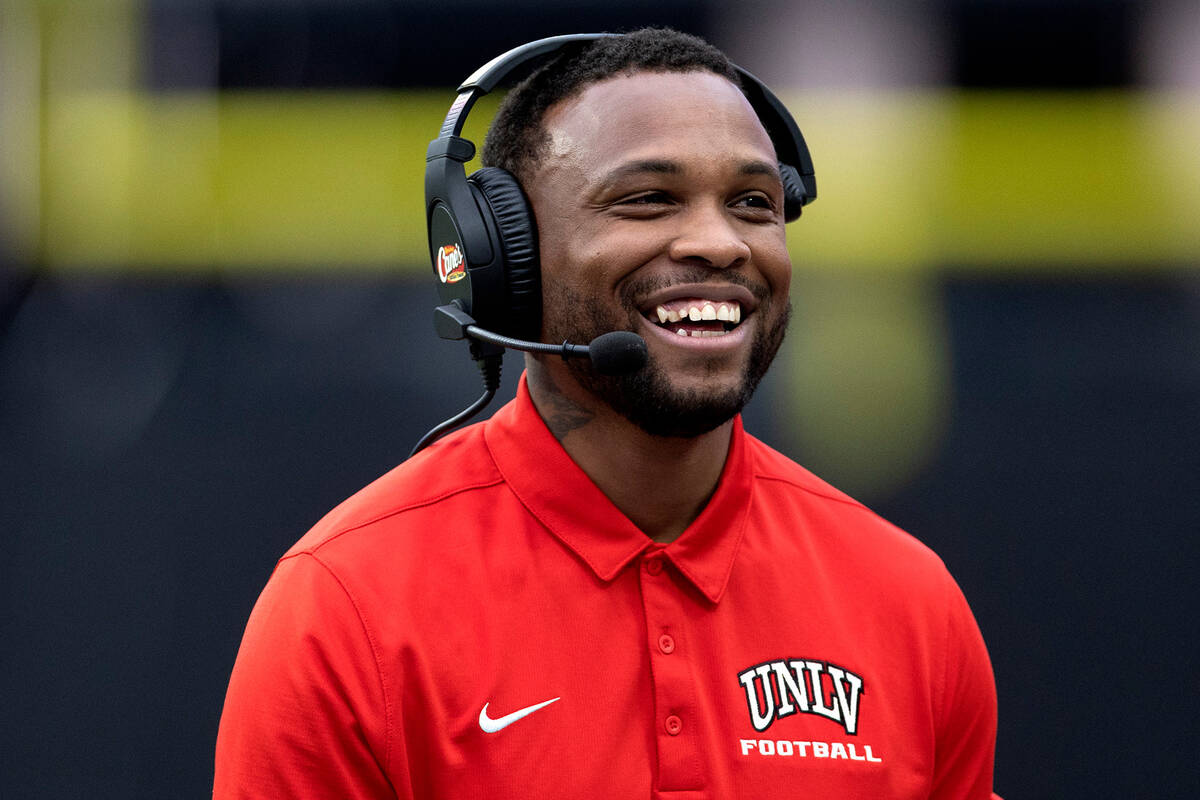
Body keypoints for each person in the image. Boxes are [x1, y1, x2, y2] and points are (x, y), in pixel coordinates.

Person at [214, 28, 999, 799]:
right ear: (503, 258)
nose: (720, 242)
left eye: (753, 203)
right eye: (649, 200)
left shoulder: (908, 605)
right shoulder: (349, 608)